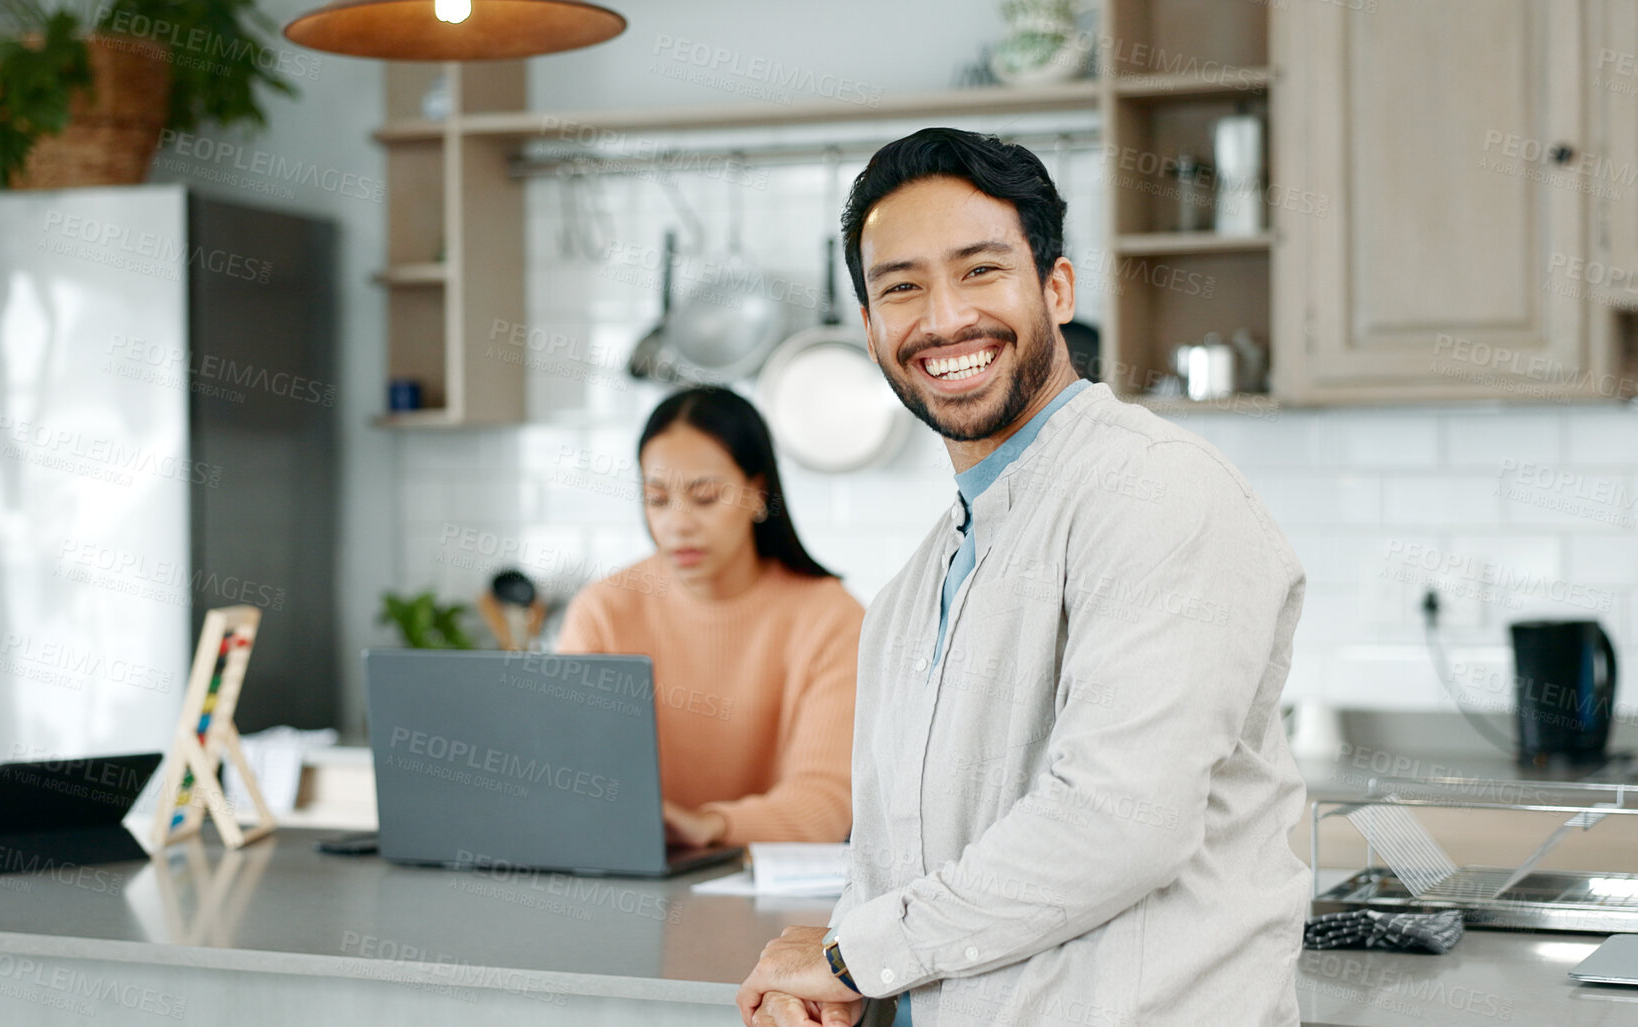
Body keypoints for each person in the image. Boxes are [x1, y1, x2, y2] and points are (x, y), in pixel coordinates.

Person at [737, 128, 1309, 1026]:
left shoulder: (1156, 491)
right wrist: (843, 989)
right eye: (901, 287)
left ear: (1056, 287)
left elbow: (1119, 822)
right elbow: (902, 865)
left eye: (979, 270)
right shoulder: (910, 593)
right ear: (871, 328)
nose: (943, 319)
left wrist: (854, 955)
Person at [557, 386, 863, 848]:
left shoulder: (832, 620)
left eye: (704, 497)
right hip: (627, 877)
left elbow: (826, 803)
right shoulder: (604, 611)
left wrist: (711, 827)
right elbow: (568, 775)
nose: (678, 523)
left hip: (771, 891)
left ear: (758, 493)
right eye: (657, 499)